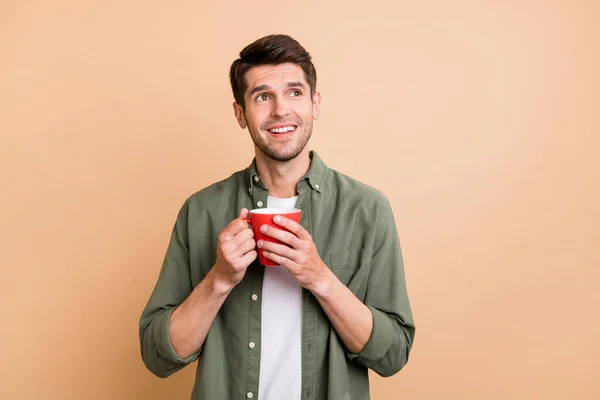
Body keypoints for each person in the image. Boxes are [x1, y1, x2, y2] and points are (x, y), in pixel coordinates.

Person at [139, 34, 415, 400]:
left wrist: (320, 278)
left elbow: (393, 354)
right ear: (240, 114)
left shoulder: (367, 210)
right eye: (262, 96)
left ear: (315, 104)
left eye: (295, 92)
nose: (280, 110)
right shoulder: (200, 211)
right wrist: (219, 279)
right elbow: (158, 356)